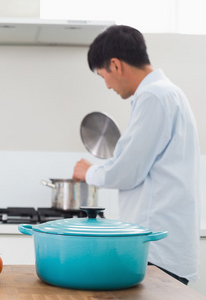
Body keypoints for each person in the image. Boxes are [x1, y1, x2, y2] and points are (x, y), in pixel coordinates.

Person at [72, 25, 200, 285]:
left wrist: (89, 172)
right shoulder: (167, 94)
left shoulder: (154, 97)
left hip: (158, 253)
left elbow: (127, 172)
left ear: (116, 65)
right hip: (165, 250)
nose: (107, 86)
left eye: (102, 75)